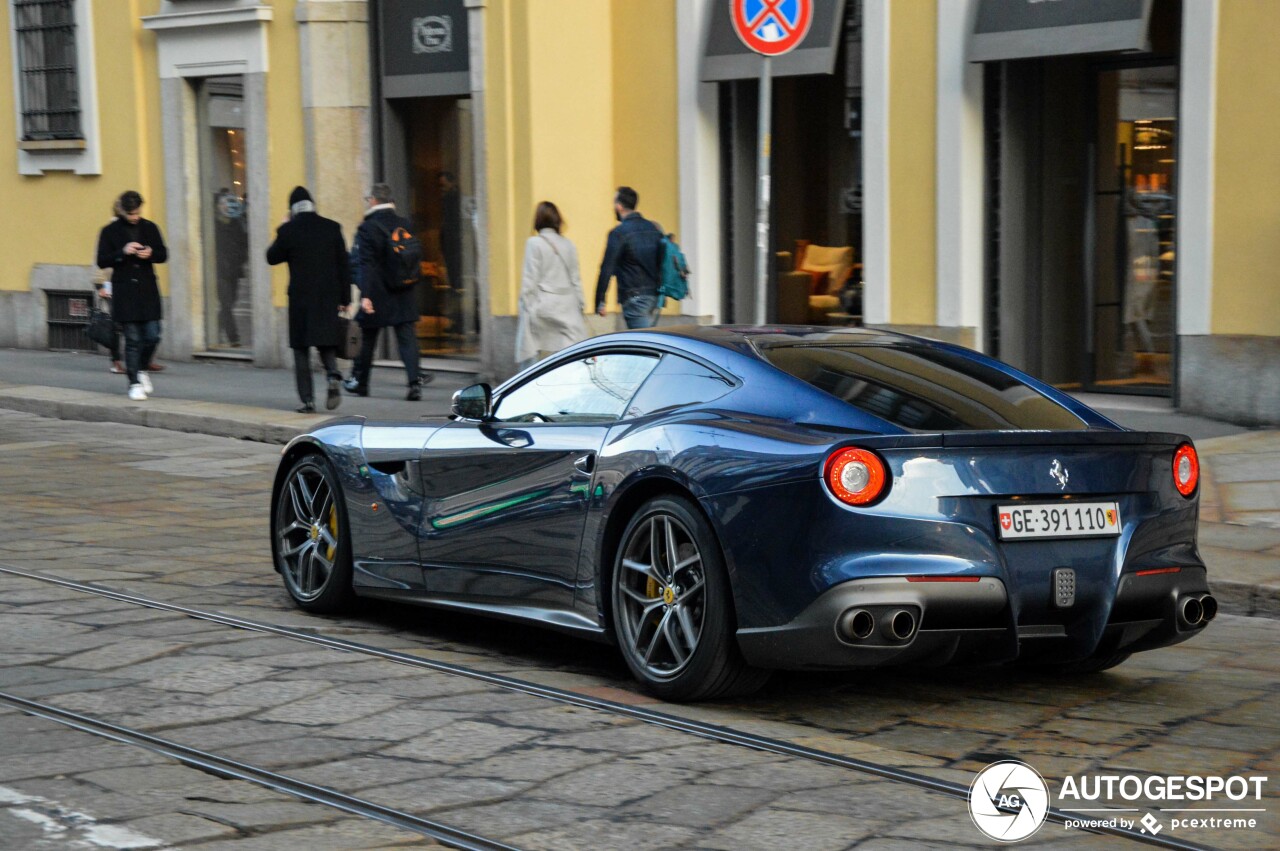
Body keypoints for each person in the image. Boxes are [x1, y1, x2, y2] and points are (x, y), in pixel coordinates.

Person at [266, 186, 352, 413]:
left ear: (292, 209)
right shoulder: (332, 227)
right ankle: (333, 374)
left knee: (301, 349)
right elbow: (344, 265)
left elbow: (271, 257)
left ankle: (308, 401)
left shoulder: (289, 231)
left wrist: (283, 227)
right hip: (327, 296)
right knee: (326, 342)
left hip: (301, 299)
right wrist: (346, 298)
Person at [350, 183, 432, 400]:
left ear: (374, 200)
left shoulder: (368, 227)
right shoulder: (405, 223)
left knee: (368, 338)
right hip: (404, 289)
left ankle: (361, 383)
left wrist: (365, 295)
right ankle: (414, 384)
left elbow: (366, 263)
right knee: (407, 339)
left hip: (378, 291)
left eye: (369, 199)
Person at [95, 190, 167, 400]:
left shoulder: (150, 227)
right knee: (133, 339)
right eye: (131, 214)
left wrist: (151, 253)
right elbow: (102, 260)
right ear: (123, 212)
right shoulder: (110, 231)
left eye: (137, 212)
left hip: (147, 290)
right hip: (125, 291)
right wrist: (122, 252)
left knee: (153, 335)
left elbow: (163, 254)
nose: (135, 217)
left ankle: (142, 369)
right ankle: (134, 382)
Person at [515, 201, 588, 367]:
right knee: (568, 360)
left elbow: (529, 280)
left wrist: (526, 308)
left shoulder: (534, 243)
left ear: (538, 220)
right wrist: (581, 305)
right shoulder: (569, 244)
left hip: (543, 308)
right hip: (568, 307)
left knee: (536, 360)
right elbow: (576, 279)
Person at [594, 186, 664, 329]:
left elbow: (607, 268)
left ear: (619, 206)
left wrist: (600, 300)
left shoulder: (619, 233)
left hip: (634, 298)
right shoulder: (654, 229)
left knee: (643, 345)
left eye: (614, 203)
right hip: (655, 297)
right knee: (648, 342)